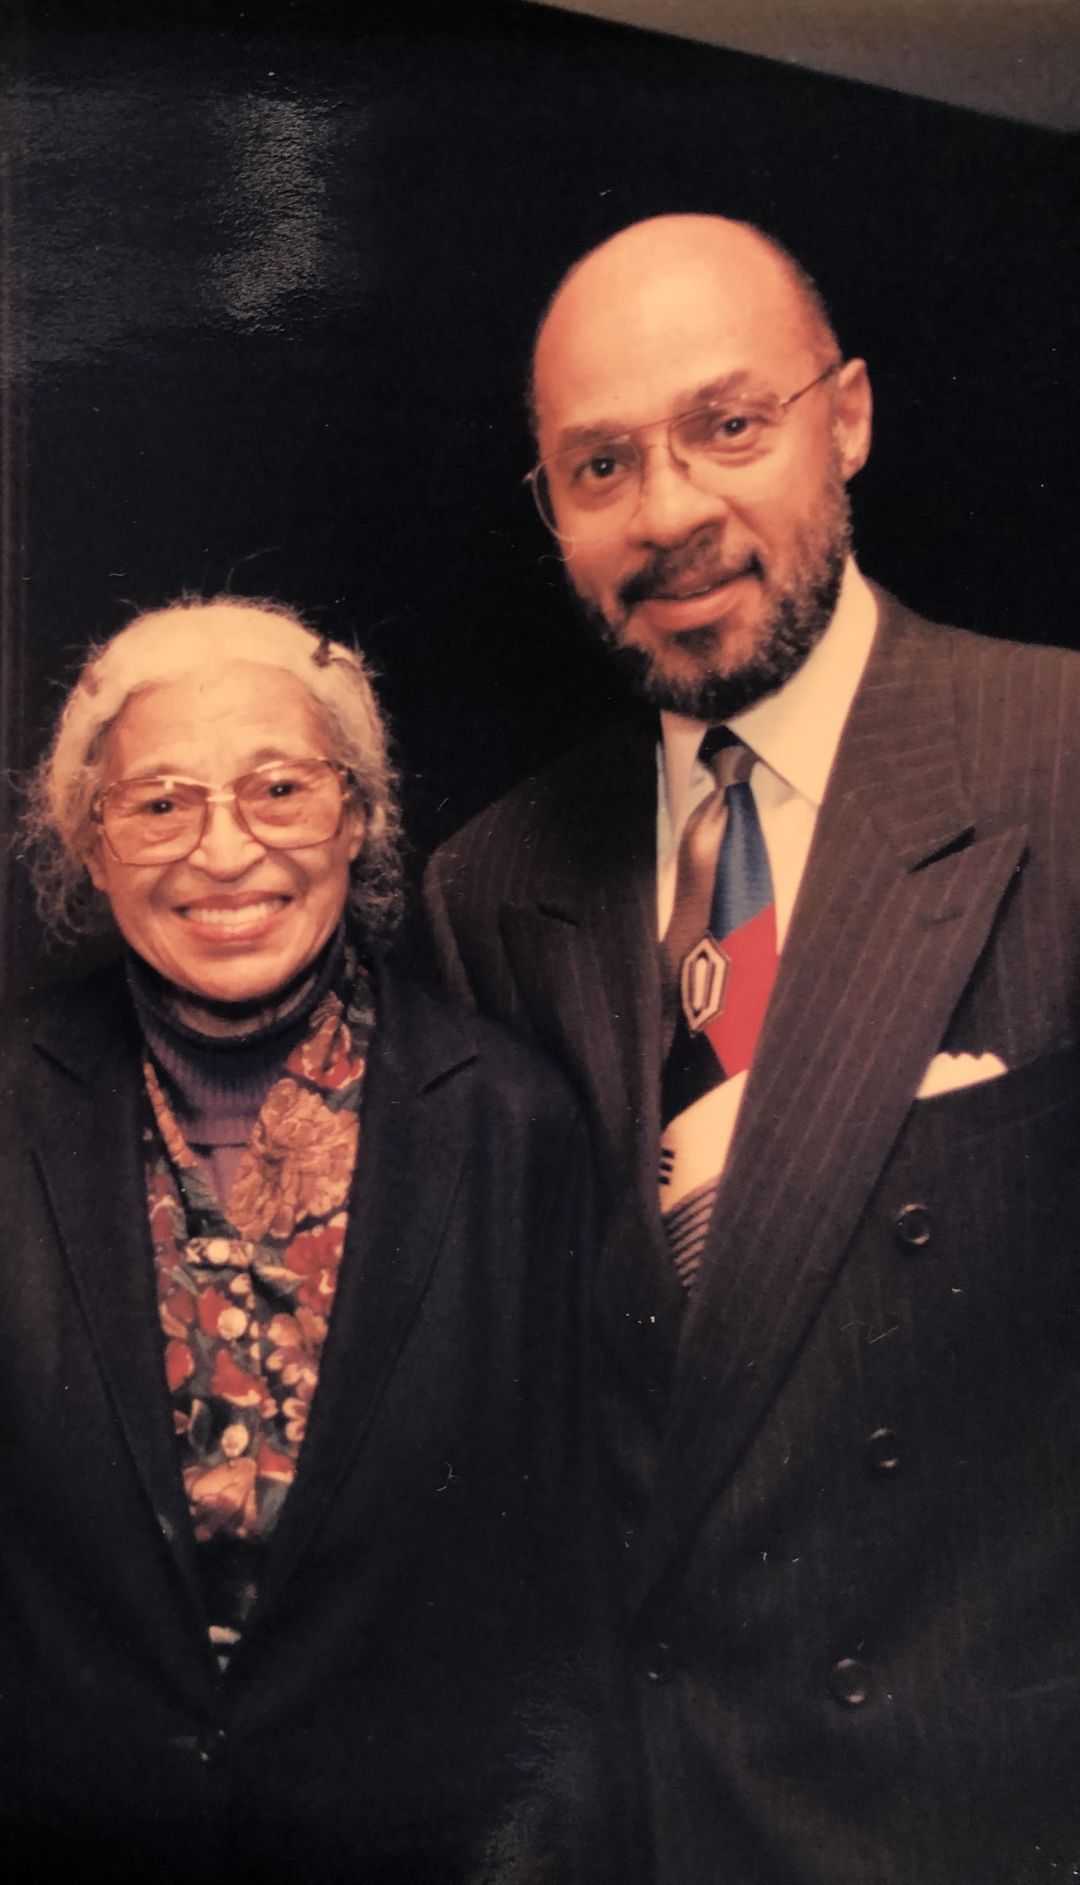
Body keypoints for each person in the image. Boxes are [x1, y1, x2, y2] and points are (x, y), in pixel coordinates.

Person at [424, 214, 1080, 1884]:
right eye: (600, 464)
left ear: (845, 415)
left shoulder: (1061, 763)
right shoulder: (492, 888)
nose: (671, 514)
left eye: (732, 425)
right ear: (551, 512)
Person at [2, 594, 619, 1885]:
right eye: (160, 802)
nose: (224, 852)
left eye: (278, 787)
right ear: (90, 841)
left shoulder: (512, 1124)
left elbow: (562, 1580)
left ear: (356, 817)